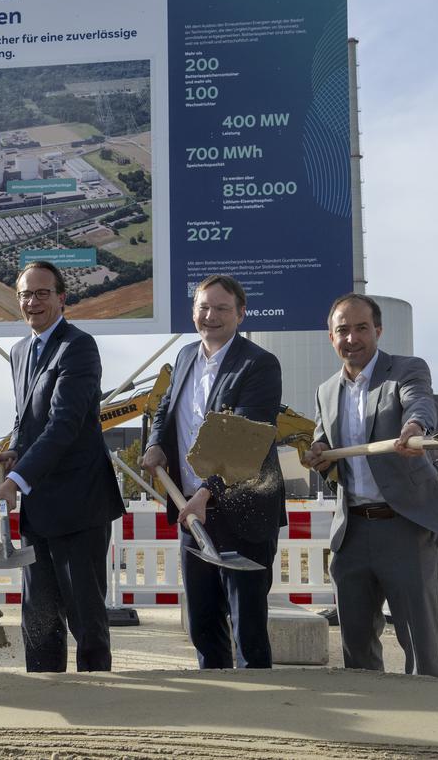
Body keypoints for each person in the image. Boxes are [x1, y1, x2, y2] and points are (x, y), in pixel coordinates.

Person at [304, 293, 438, 676]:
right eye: (342, 330)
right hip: (351, 532)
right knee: (356, 646)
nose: (352, 338)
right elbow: (324, 442)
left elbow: (420, 403)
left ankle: (430, 709)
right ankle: (374, 709)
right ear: (331, 337)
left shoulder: (404, 371)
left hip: (404, 526)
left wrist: (415, 427)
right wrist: (318, 451)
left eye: (361, 328)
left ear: (378, 331)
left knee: (419, 642)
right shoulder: (325, 391)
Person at [0, 261, 124, 672]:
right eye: (26, 294)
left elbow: (64, 424)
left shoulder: (78, 347)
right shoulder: (19, 351)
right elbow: (25, 417)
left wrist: (16, 479)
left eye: (43, 293)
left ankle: (98, 689)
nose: (33, 302)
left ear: (62, 298)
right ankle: (44, 688)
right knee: (39, 614)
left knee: (86, 616)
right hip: (39, 507)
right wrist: (14, 449)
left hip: (79, 505)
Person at [141, 274, 283, 669]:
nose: (211, 316)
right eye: (204, 307)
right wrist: (155, 443)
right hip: (192, 512)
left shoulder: (258, 365)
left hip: (241, 513)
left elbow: (244, 439)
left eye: (222, 308)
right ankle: (216, 692)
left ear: (240, 314)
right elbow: (165, 408)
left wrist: (206, 493)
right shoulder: (186, 356)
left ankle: (260, 698)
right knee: (203, 624)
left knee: (247, 626)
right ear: (193, 312)